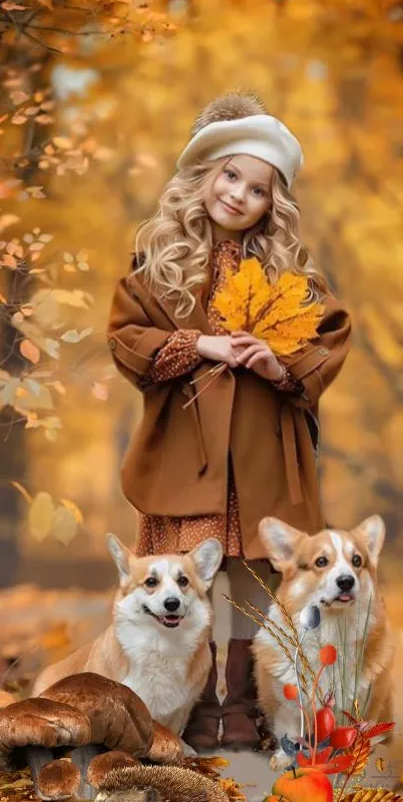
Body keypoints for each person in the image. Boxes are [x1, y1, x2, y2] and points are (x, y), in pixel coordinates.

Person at [107, 91, 351, 751]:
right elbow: (127, 336)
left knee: (248, 570)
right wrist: (197, 343)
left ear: (275, 203)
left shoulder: (291, 275)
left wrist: (277, 366)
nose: (239, 194)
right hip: (187, 450)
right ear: (203, 174)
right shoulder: (158, 264)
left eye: (258, 188)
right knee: (188, 567)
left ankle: (240, 701)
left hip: (260, 447)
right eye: (229, 174)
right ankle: (190, 692)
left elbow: (327, 337)